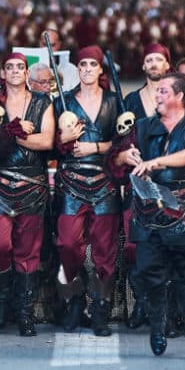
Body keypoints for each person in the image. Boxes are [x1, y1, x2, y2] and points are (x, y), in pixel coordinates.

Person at [109, 73, 185, 361]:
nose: (158, 95)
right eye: (158, 91)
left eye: (164, 91)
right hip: (149, 212)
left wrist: (157, 161)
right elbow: (115, 156)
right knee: (151, 277)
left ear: (180, 96)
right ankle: (157, 328)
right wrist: (124, 157)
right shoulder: (142, 126)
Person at [0, 51, 54, 336]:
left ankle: (26, 313)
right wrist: (14, 130)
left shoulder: (43, 102)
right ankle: (0, 307)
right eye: (10, 67)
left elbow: (46, 141)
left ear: (26, 73)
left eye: (21, 66)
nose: (16, 71)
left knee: (27, 253)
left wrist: (12, 134)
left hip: (32, 185)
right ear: (3, 74)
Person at [52, 46, 120, 336]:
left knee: (105, 251)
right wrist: (63, 139)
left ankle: (101, 310)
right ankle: (75, 302)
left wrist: (95, 147)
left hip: (104, 182)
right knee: (68, 245)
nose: (88, 69)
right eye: (83, 64)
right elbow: (51, 144)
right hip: (70, 184)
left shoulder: (115, 102)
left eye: (93, 64)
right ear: (77, 70)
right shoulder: (62, 102)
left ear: (101, 70)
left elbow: (124, 143)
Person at [121, 43, 171, 329]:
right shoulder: (131, 100)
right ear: (143, 66)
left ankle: (162, 309)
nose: (153, 64)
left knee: (167, 246)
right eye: (149, 60)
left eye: (158, 60)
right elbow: (123, 135)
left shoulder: (178, 97)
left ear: (167, 65)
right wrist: (126, 152)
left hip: (169, 181)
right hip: (137, 182)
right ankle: (140, 301)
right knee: (134, 246)